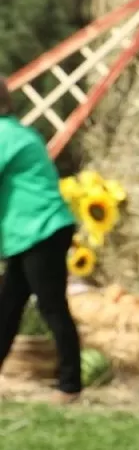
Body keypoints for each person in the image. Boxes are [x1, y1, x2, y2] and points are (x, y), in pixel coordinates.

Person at [0, 80, 83, 403]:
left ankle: (70, 386)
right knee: (8, 306)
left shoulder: (5, 135)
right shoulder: (19, 132)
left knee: (51, 305)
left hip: (41, 230)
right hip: (32, 232)